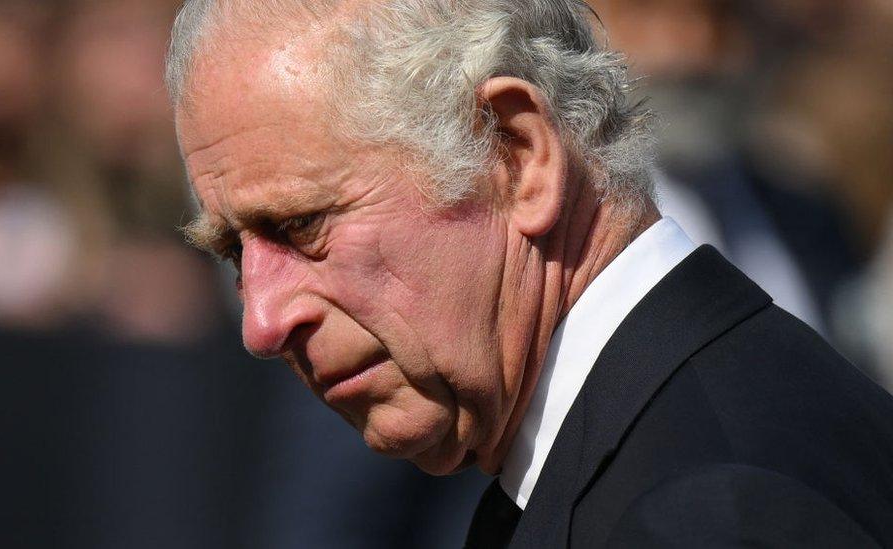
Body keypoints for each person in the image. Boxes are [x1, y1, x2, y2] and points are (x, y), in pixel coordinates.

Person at [165, 1, 893, 547]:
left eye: (301, 226)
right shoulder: (677, 443)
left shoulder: (707, 514)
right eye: (234, 252)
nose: (261, 322)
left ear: (518, 156)